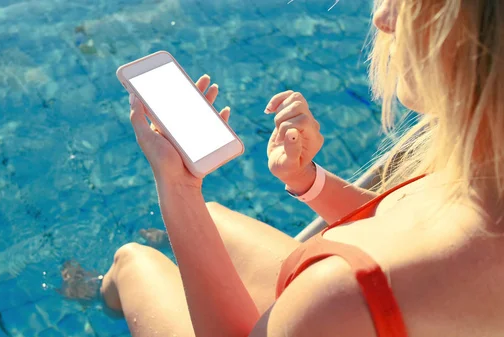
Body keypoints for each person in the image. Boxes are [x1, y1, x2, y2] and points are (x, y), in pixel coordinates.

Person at [95, 0, 504, 336]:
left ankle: (95, 293)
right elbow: (413, 222)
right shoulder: (487, 173)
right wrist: (308, 181)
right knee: (215, 219)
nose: (383, 17)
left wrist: (178, 187)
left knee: (134, 262)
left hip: (350, 311)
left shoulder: (336, 298)